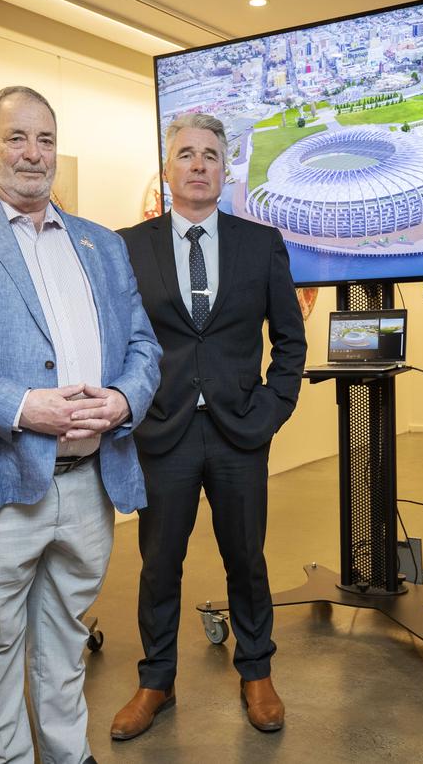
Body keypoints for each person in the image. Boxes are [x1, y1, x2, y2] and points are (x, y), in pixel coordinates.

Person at [0, 86, 162, 764]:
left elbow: (144, 345)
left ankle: (65, 752)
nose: (33, 153)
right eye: (17, 137)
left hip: (88, 485)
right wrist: (23, 407)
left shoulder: (101, 243)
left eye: (46, 139)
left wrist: (121, 398)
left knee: (65, 637)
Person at [111, 112, 307, 740]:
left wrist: (270, 411)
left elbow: (290, 342)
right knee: (157, 563)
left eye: (210, 156)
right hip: (162, 432)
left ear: (225, 170)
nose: (198, 165)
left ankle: (256, 671)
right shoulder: (128, 245)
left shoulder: (261, 244)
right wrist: (128, 406)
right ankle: (156, 681)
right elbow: (115, 340)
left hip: (238, 434)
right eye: (186, 155)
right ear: (168, 169)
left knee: (246, 558)